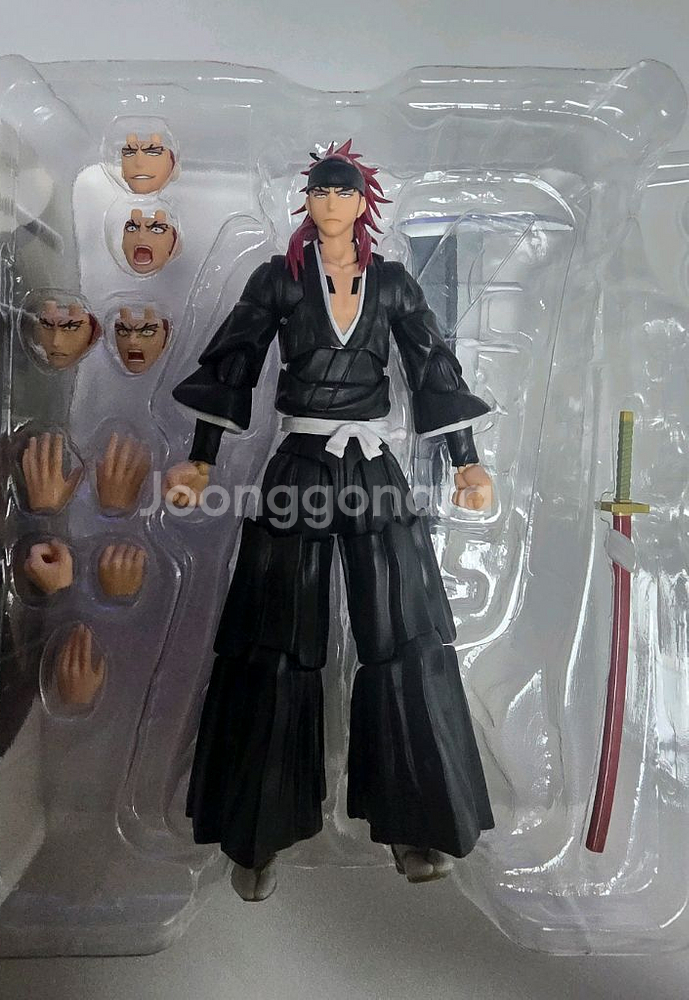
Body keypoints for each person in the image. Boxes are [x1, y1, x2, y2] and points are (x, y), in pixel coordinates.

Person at [164, 140, 495, 901]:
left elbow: (433, 367)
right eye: (320, 190)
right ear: (307, 201)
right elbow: (234, 360)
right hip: (300, 463)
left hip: (373, 465)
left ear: (364, 203)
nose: (331, 203)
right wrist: (201, 460)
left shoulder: (393, 284)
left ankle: (418, 822)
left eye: (344, 191)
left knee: (405, 630)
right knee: (274, 632)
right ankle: (256, 829)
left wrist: (467, 461)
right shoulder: (278, 280)